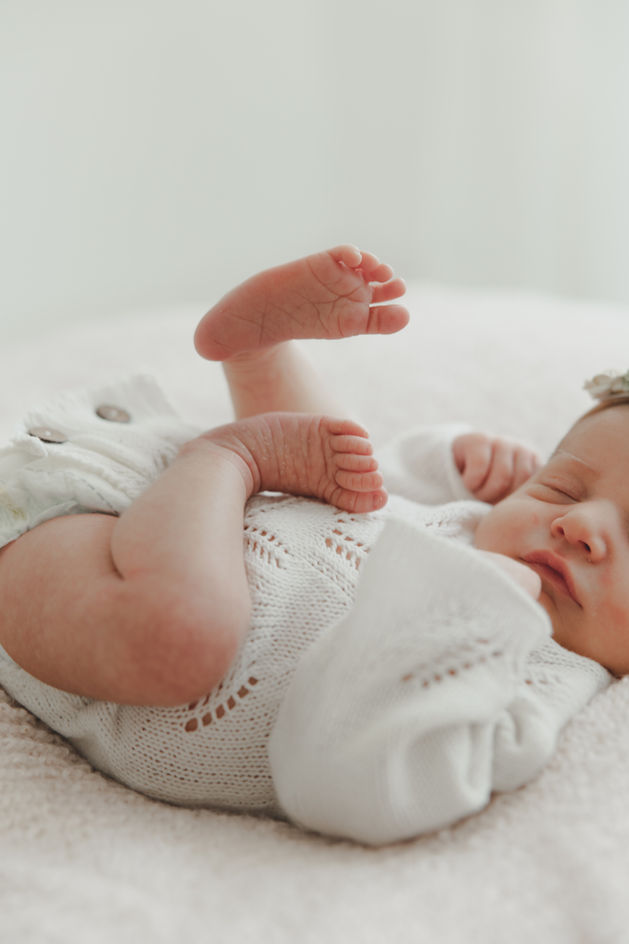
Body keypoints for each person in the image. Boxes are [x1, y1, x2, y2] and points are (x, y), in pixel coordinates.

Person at [0, 246, 614, 845]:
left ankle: (230, 454)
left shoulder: (547, 684)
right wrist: (460, 459)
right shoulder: (472, 523)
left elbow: (354, 783)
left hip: (90, 568)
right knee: (349, 478)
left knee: (185, 639)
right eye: (561, 486)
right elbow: (371, 473)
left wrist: (468, 609)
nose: (577, 524)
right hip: (164, 497)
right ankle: (257, 355)